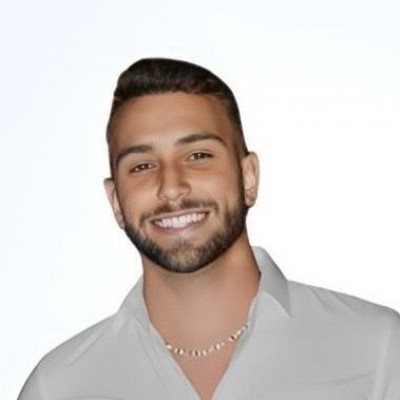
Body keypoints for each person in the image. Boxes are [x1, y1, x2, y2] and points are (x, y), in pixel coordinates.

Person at [18, 58, 400, 400]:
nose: (171, 187)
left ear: (248, 177)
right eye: (142, 166)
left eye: (198, 156)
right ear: (116, 200)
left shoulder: (377, 351)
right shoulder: (58, 388)